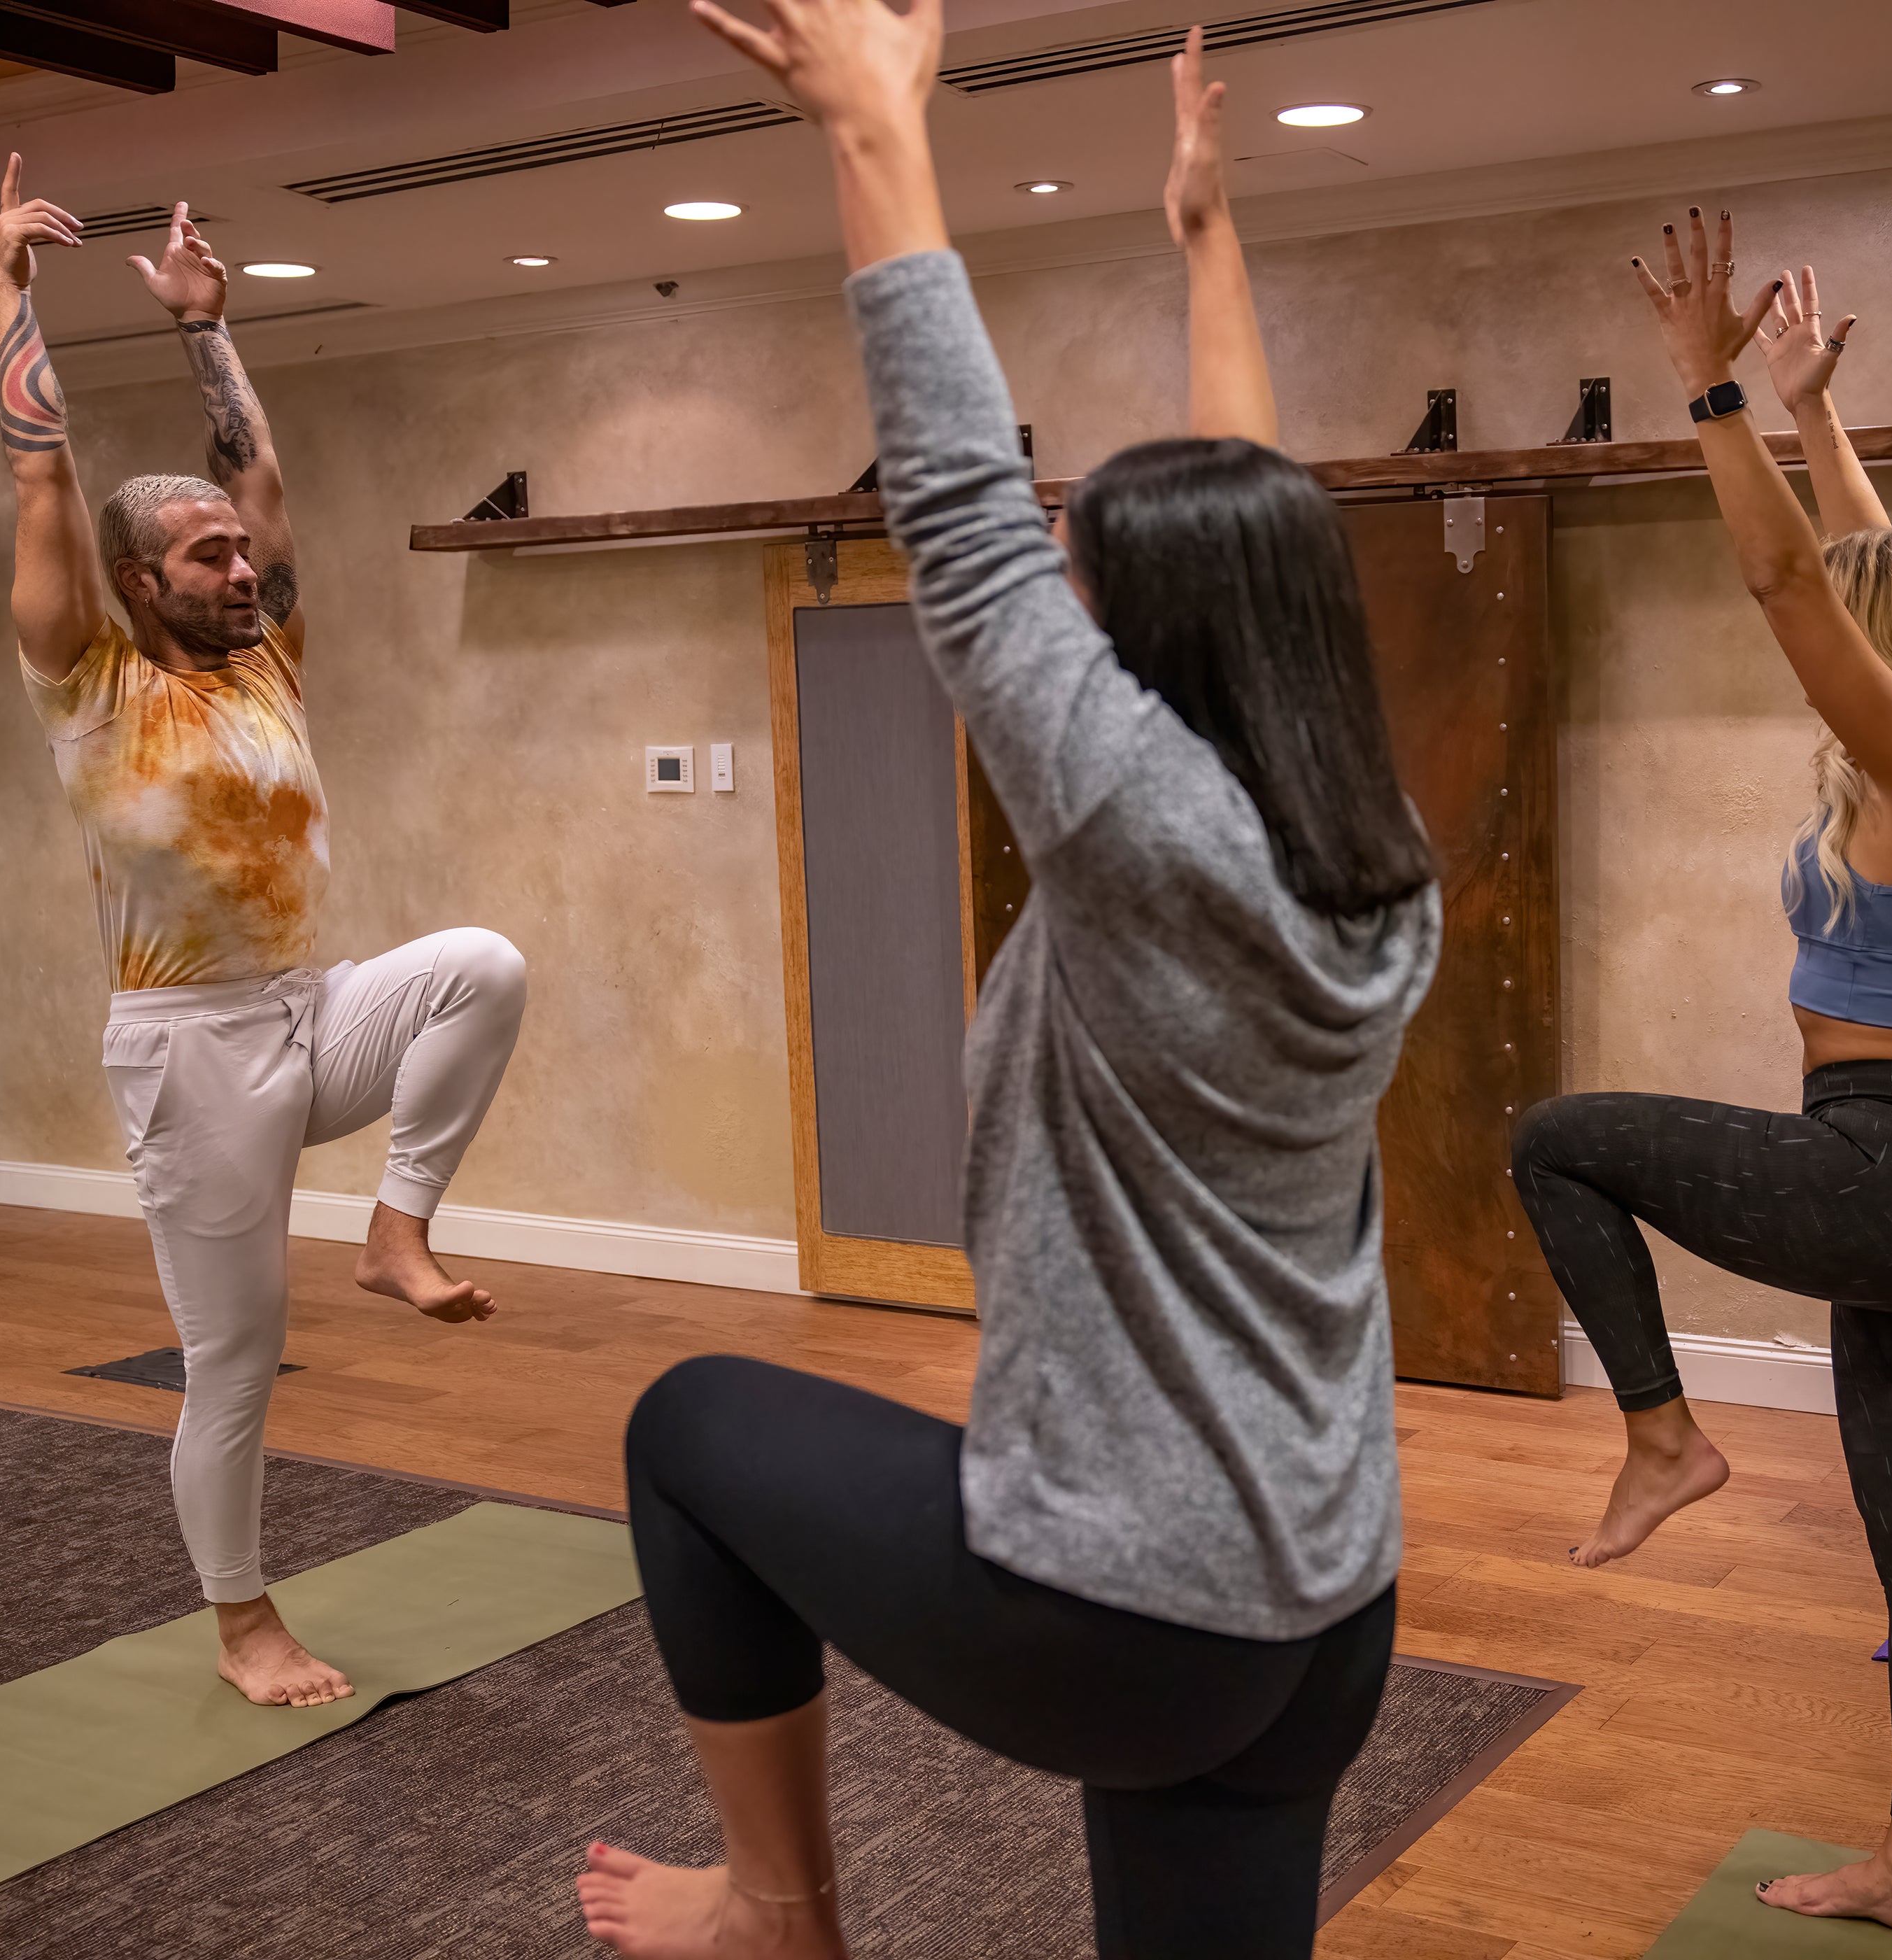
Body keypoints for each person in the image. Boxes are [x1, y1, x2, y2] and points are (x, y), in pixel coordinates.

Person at [577, 10, 1440, 1957]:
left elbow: (959, 508)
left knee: (688, 1433)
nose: (1056, 593)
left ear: (1142, 647)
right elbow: (1258, 526)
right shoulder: (1369, 846)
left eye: (1083, 576)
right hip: (1322, 1604)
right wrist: (1208, 241)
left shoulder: (1138, 832)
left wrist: (874, 127)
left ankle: (776, 1911)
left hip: (1134, 1616)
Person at [1508, 243, 1892, 1943]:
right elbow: (1863, 570)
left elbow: (1795, 584)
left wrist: (1716, 390)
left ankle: (1663, 1437)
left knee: (1559, 1144)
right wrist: (1815, 419)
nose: (1838, 624)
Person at [0, 160, 528, 1708]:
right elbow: (42, 486)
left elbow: (263, 469)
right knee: (233, 1360)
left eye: (242, 549)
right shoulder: (90, 683)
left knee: (481, 967)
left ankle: (396, 1233)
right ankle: (242, 1624)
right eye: (209, 557)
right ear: (138, 582)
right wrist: (12, 292)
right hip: (191, 1052)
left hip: (312, 1006)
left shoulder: (268, 662)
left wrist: (202, 326)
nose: (245, 569)